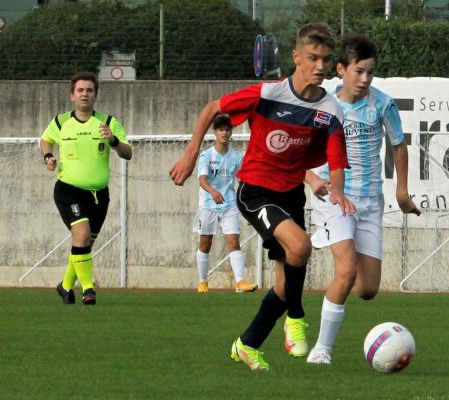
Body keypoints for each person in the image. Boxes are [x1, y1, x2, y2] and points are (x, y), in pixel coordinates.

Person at [169, 22, 354, 370]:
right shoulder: (268, 93)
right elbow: (213, 108)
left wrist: (338, 191)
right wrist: (191, 154)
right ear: (296, 57)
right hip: (254, 190)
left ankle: (247, 344)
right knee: (301, 247)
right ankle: (297, 317)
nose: (319, 67)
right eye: (312, 58)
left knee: (284, 284)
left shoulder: (330, 109)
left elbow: (336, 157)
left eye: (326, 60)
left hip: (290, 195)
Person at [304, 33, 421, 364]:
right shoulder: (323, 104)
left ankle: (335, 293)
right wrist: (312, 178)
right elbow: (296, 149)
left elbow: (398, 144)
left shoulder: (383, 104)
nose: (365, 79)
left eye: (370, 72)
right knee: (347, 270)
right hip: (333, 196)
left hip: (369, 202)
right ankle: (321, 350)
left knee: (367, 289)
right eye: (359, 71)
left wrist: (401, 191)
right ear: (341, 69)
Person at [40, 71, 132, 305]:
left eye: (89, 90)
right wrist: (48, 156)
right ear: (72, 95)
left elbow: (127, 153)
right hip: (68, 190)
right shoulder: (61, 122)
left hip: (99, 195)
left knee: (85, 244)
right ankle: (88, 290)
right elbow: (45, 139)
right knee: (80, 234)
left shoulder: (108, 123)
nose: (84, 94)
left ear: (95, 95)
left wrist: (113, 140)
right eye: (80, 90)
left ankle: (65, 286)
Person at [193, 114, 257, 294]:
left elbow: (246, 180)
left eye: (228, 130)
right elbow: (202, 180)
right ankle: (203, 282)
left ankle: (240, 282)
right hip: (207, 205)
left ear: (231, 133)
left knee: (234, 241)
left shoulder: (237, 157)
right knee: (205, 244)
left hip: (229, 204)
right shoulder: (206, 155)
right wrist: (213, 192)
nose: (225, 133)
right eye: (221, 130)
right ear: (215, 132)